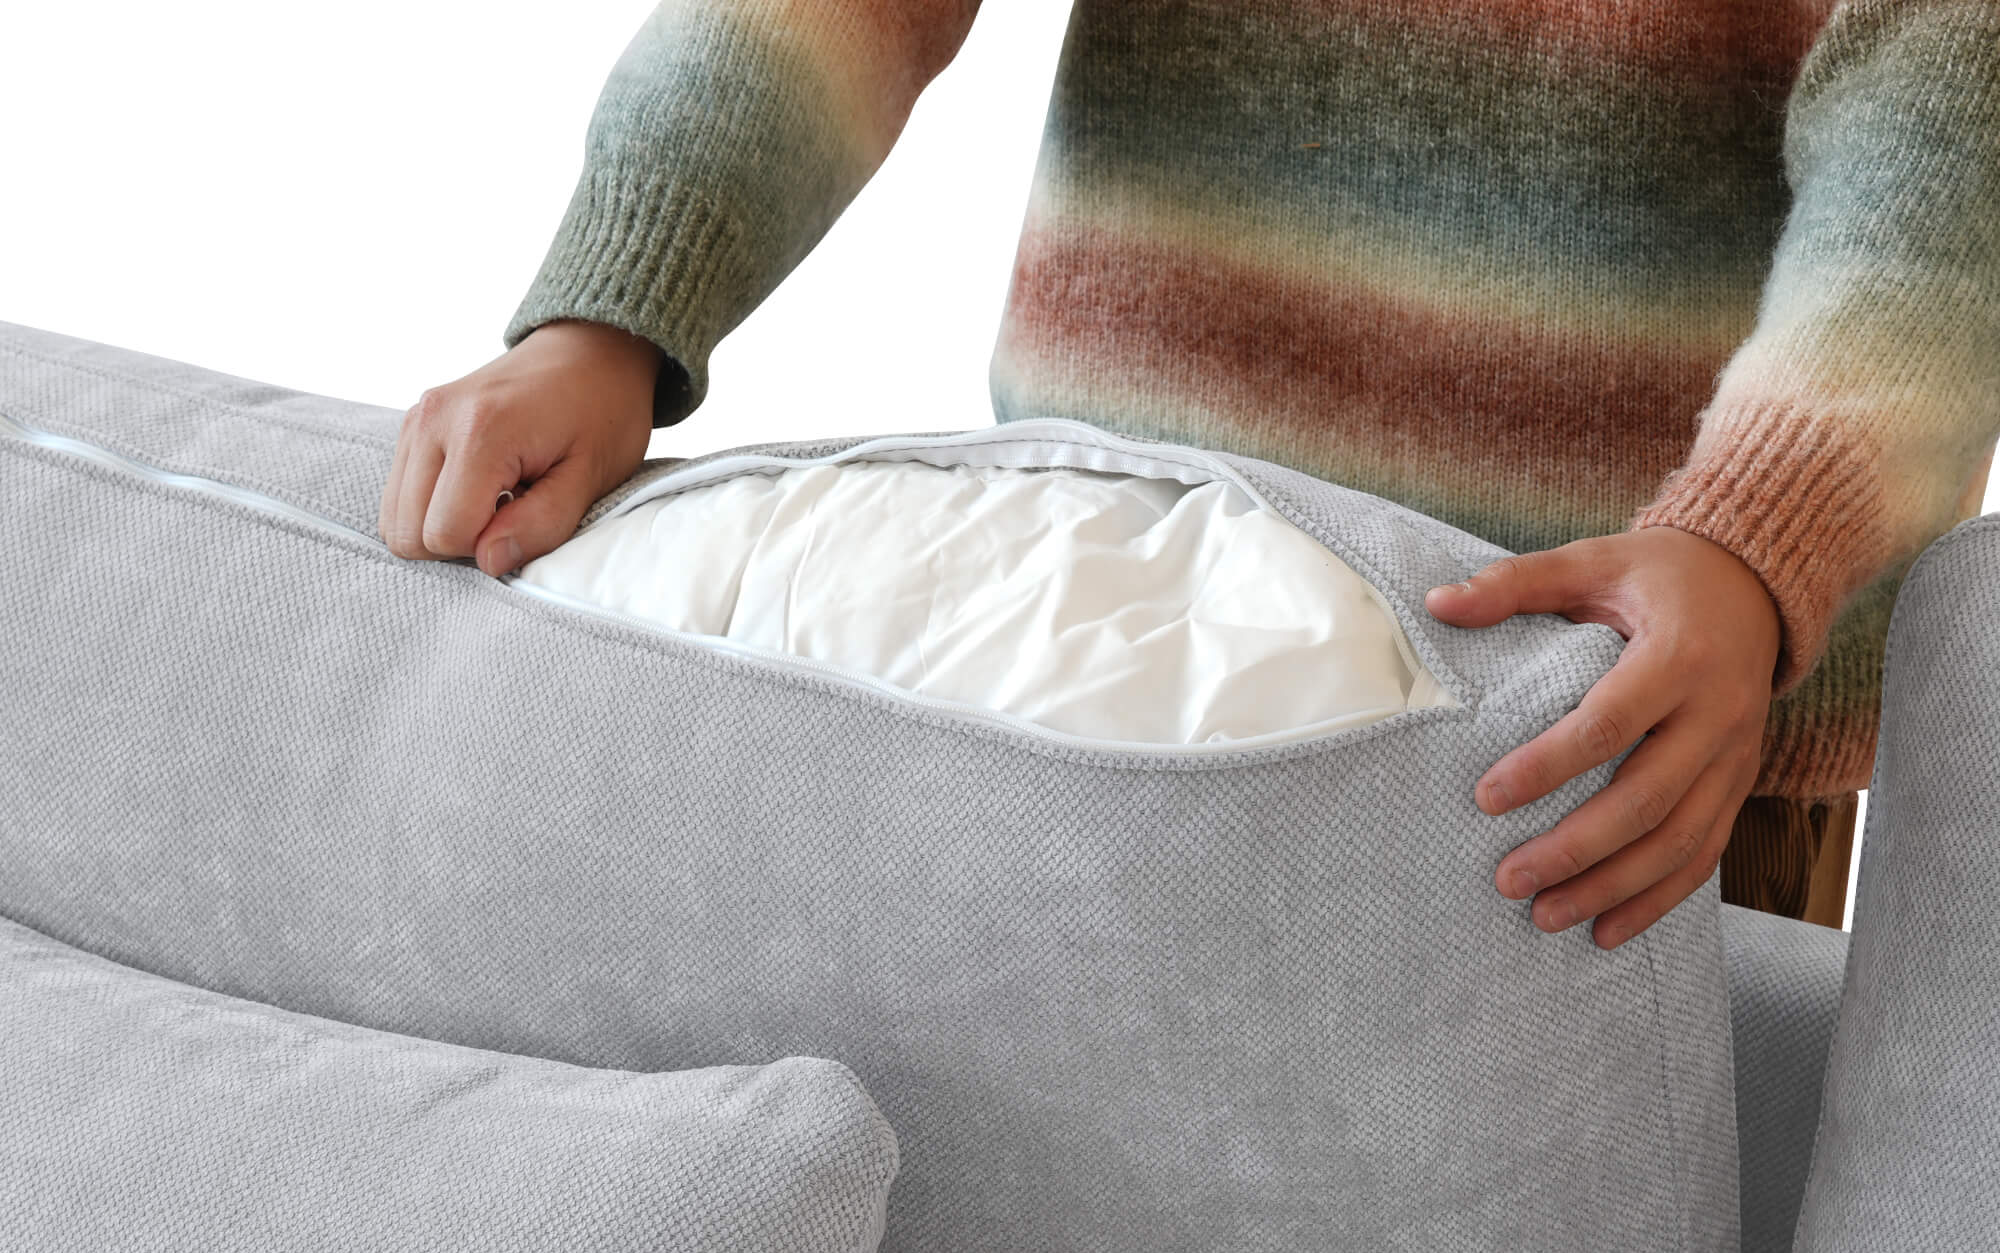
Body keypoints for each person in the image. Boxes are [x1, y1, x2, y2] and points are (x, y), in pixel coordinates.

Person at [376, 0, 1999, 947]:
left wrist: (1757, 540)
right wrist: (611, 305)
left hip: (1634, 721)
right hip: (1105, 634)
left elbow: (1950, 125)